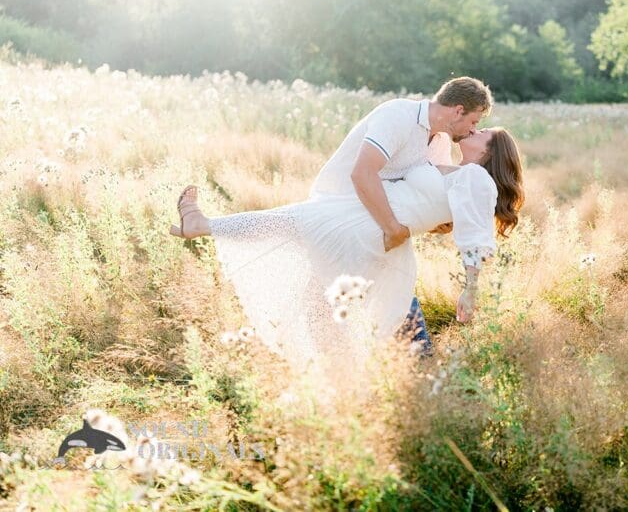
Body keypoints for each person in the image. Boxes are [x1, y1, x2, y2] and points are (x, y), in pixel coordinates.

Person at [169, 115, 524, 379]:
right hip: (371, 226)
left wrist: (471, 287)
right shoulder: (450, 167)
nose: (475, 130)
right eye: (477, 124)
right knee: (310, 256)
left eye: (483, 132)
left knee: (297, 232)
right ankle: (357, 381)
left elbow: (475, 237)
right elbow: (428, 145)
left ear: (490, 153)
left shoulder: (476, 178)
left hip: (374, 236)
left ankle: (396, 385)